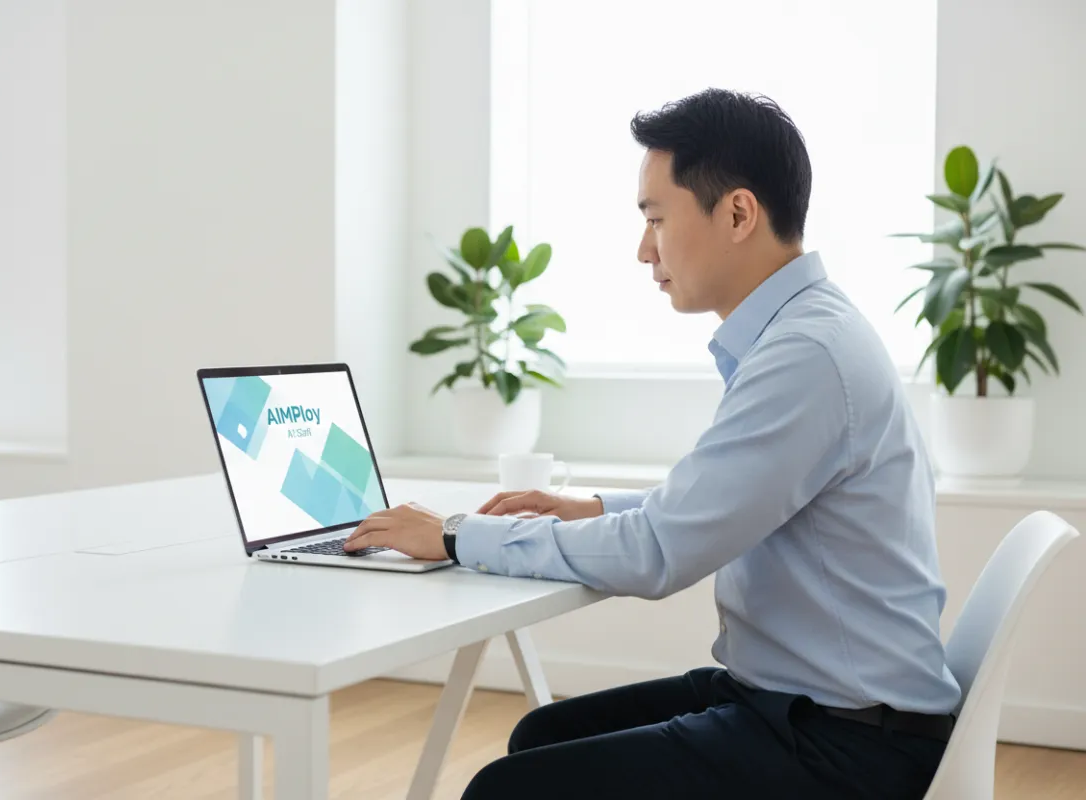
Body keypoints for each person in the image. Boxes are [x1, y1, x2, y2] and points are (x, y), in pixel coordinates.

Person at [344, 88, 960, 800]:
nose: (644, 250)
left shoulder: (807, 356)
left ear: (737, 213)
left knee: (506, 788)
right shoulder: (809, 332)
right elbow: (718, 507)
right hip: (811, 704)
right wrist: (590, 507)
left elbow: (659, 553)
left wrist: (454, 535)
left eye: (656, 219)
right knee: (542, 738)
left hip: (843, 745)